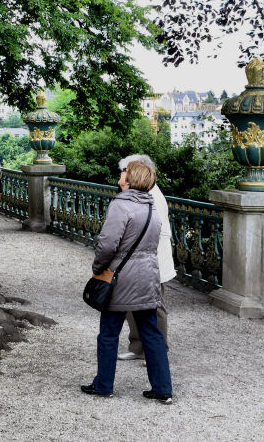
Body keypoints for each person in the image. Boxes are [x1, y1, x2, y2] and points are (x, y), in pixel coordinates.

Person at [81, 160, 173, 403]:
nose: (121, 174)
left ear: (130, 178)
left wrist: (98, 268)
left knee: (109, 332)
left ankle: (104, 384)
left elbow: (108, 244)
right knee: (151, 333)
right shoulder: (152, 207)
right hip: (147, 274)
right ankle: (163, 388)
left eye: (124, 171)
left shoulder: (121, 205)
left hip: (121, 277)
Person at [117, 154, 176, 361]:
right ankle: (138, 347)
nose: (122, 176)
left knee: (154, 306)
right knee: (130, 304)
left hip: (152, 261)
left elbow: (159, 232)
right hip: (139, 261)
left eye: (126, 171)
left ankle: (158, 350)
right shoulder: (140, 192)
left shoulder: (153, 195)